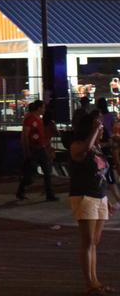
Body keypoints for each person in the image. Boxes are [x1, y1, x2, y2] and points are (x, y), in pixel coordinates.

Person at [69, 111, 113, 294]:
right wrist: (94, 130)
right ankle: (90, 284)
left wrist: (107, 199)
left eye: (101, 127)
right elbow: (84, 149)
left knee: (95, 241)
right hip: (85, 197)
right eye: (98, 127)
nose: (102, 130)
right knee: (87, 242)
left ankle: (95, 281)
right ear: (89, 129)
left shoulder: (97, 148)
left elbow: (102, 175)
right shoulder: (77, 146)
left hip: (100, 197)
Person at [16, 99, 57, 202]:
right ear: (39, 108)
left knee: (47, 171)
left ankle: (49, 194)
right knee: (31, 173)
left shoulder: (39, 119)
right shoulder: (30, 119)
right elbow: (25, 135)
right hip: (33, 148)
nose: (44, 110)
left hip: (40, 148)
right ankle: (21, 190)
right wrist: (26, 150)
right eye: (43, 108)